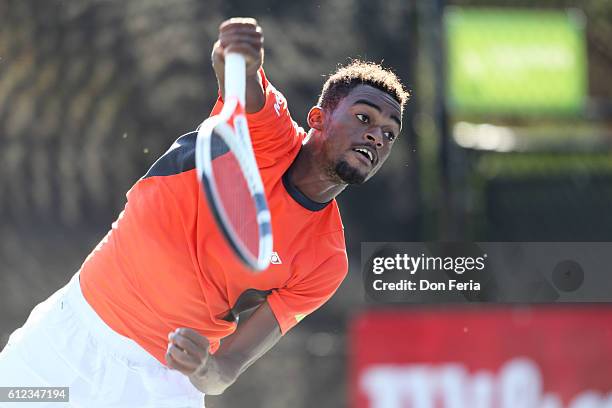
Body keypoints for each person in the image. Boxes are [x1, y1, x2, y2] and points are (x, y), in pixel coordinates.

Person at [0, 17, 408, 407]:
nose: (376, 135)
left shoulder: (326, 261)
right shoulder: (267, 132)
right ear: (318, 119)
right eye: (363, 117)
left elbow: (225, 369)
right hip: (64, 346)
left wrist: (203, 366)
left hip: (157, 392)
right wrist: (237, 54)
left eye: (389, 133)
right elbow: (237, 75)